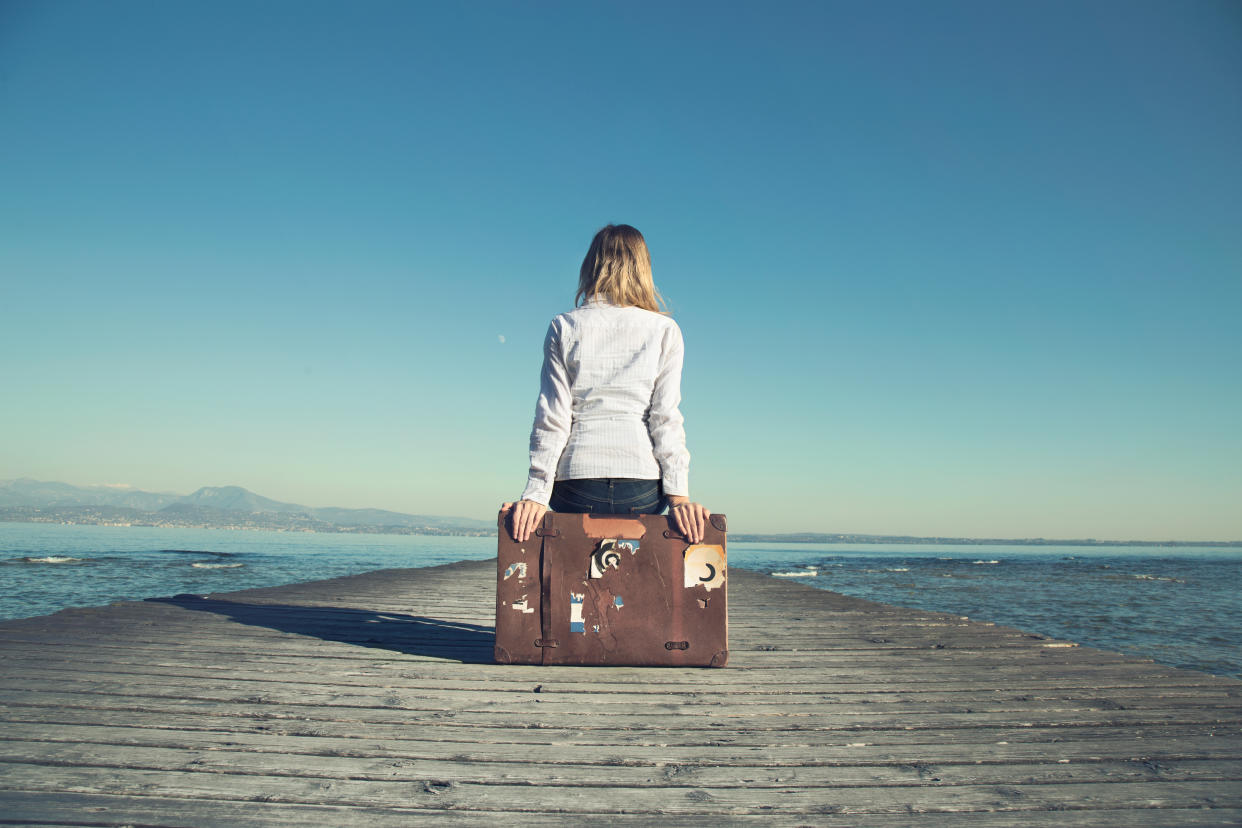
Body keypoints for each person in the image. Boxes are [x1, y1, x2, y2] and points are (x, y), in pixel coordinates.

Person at [503, 224, 711, 544]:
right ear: (643, 269)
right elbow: (664, 418)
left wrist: (536, 493)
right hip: (642, 489)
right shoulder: (665, 330)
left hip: (574, 485)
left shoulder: (564, 326)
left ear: (591, 266)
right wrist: (679, 496)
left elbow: (553, 417)